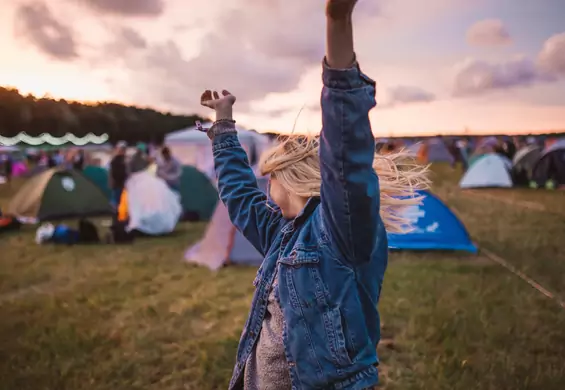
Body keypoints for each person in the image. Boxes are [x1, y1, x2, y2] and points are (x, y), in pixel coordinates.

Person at [199, 1, 429, 388]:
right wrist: (223, 126)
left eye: (268, 177)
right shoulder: (282, 233)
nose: (263, 186)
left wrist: (337, 23)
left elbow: (345, 153)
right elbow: (239, 196)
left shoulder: (340, 232)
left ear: (288, 179)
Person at [109, 141, 128, 207]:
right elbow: (115, 174)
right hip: (119, 185)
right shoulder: (116, 161)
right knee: (118, 202)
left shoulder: (124, 160)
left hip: (122, 185)